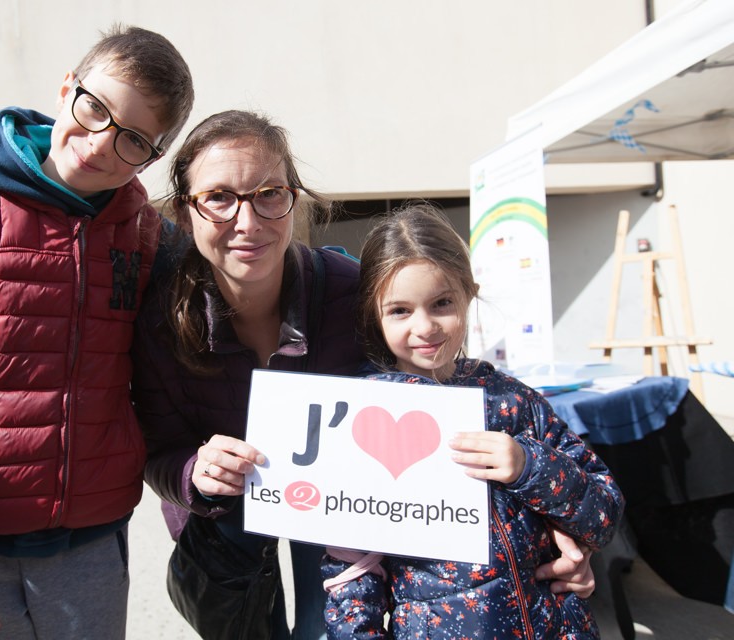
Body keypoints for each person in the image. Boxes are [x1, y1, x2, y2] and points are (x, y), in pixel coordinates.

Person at [130, 111, 599, 640]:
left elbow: (430, 392)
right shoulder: (160, 319)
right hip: (224, 520)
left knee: (322, 627)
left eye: (269, 193)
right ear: (184, 207)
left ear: (294, 196)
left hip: (342, 510)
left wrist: (555, 526)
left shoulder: (358, 294)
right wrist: (196, 472)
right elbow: (158, 450)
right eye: (218, 197)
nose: (247, 221)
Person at [0, 25, 193, 639]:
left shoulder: (150, 238)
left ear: (152, 158)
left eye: (132, 140)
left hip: (93, 545)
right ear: (66, 89)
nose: (101, 143)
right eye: (95, 108)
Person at [320, 203, 625, 639]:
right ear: (374, 313)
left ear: (469, 293)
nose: (425, 326)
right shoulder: (361, 415)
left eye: (442, 303)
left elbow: (605, 511)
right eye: (400, 310)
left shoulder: (514, 401)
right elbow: (350, 568)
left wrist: (529, 466)